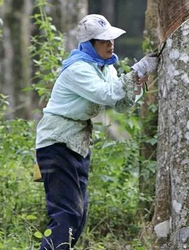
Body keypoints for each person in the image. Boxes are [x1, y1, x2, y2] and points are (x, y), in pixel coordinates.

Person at [35, 14, 159, 250]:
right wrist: (134, 72)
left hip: (77, 144)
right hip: (56, 144)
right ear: (89, 44)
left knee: (79, 213)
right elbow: (106, 94)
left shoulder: (105, 68)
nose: (110, 45)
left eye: (111, 40)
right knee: (67, 212)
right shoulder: (78, 69)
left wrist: (138, 82)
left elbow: (120, 104)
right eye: (103, 41)